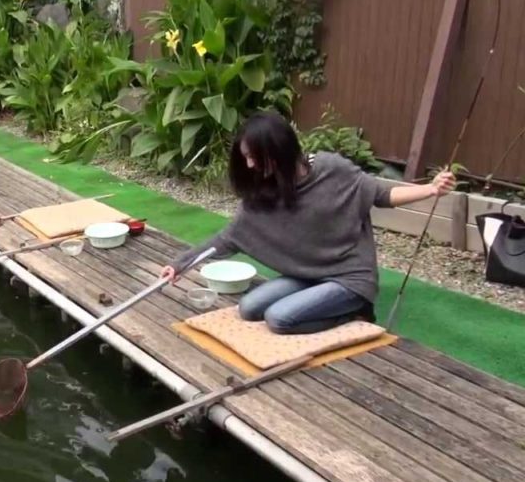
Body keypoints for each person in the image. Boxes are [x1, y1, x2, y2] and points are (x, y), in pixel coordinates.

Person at [160, 112, 456, 335]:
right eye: (246, 158)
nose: (250, 166)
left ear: (279, 151)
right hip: (308, 275)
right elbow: (227, 239)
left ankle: (355, 315)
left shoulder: (332, 170)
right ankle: (324, 305)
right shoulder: (264, 190)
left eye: (255, 158)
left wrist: (430, 190)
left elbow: (382, 194)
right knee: (249, 309)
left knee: (279, 319)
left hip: (349, 278)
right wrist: (180, 264)